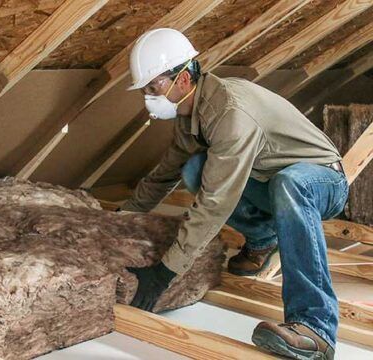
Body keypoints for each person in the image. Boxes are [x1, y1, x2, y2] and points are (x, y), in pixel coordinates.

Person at [120, 28, 348, 360]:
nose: (149, 97)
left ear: (183, 79)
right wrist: (120, 219)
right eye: (146, 89)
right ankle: (263, 240)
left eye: (154, 87)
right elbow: (163, 176)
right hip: (271, 182)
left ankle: (316, 326)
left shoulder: (229, 113)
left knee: (288, 183)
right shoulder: (191, 116)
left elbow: (216, 202)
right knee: (193, 169)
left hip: (323, 181)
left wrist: (165, 272)